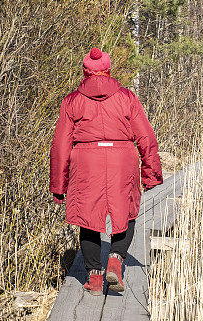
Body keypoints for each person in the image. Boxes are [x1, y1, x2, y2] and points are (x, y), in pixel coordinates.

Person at [50, 48, 163, 295]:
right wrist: (151, 172)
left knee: (87, 217)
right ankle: (115, 258)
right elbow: (145, 135)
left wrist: (59, 185)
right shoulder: (127, 97)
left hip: (86, 161)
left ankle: (94, 276)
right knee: (127, 210)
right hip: (122, 158)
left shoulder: (72, 101)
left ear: (85, 71)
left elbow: (60, 145)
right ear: (109, 69)